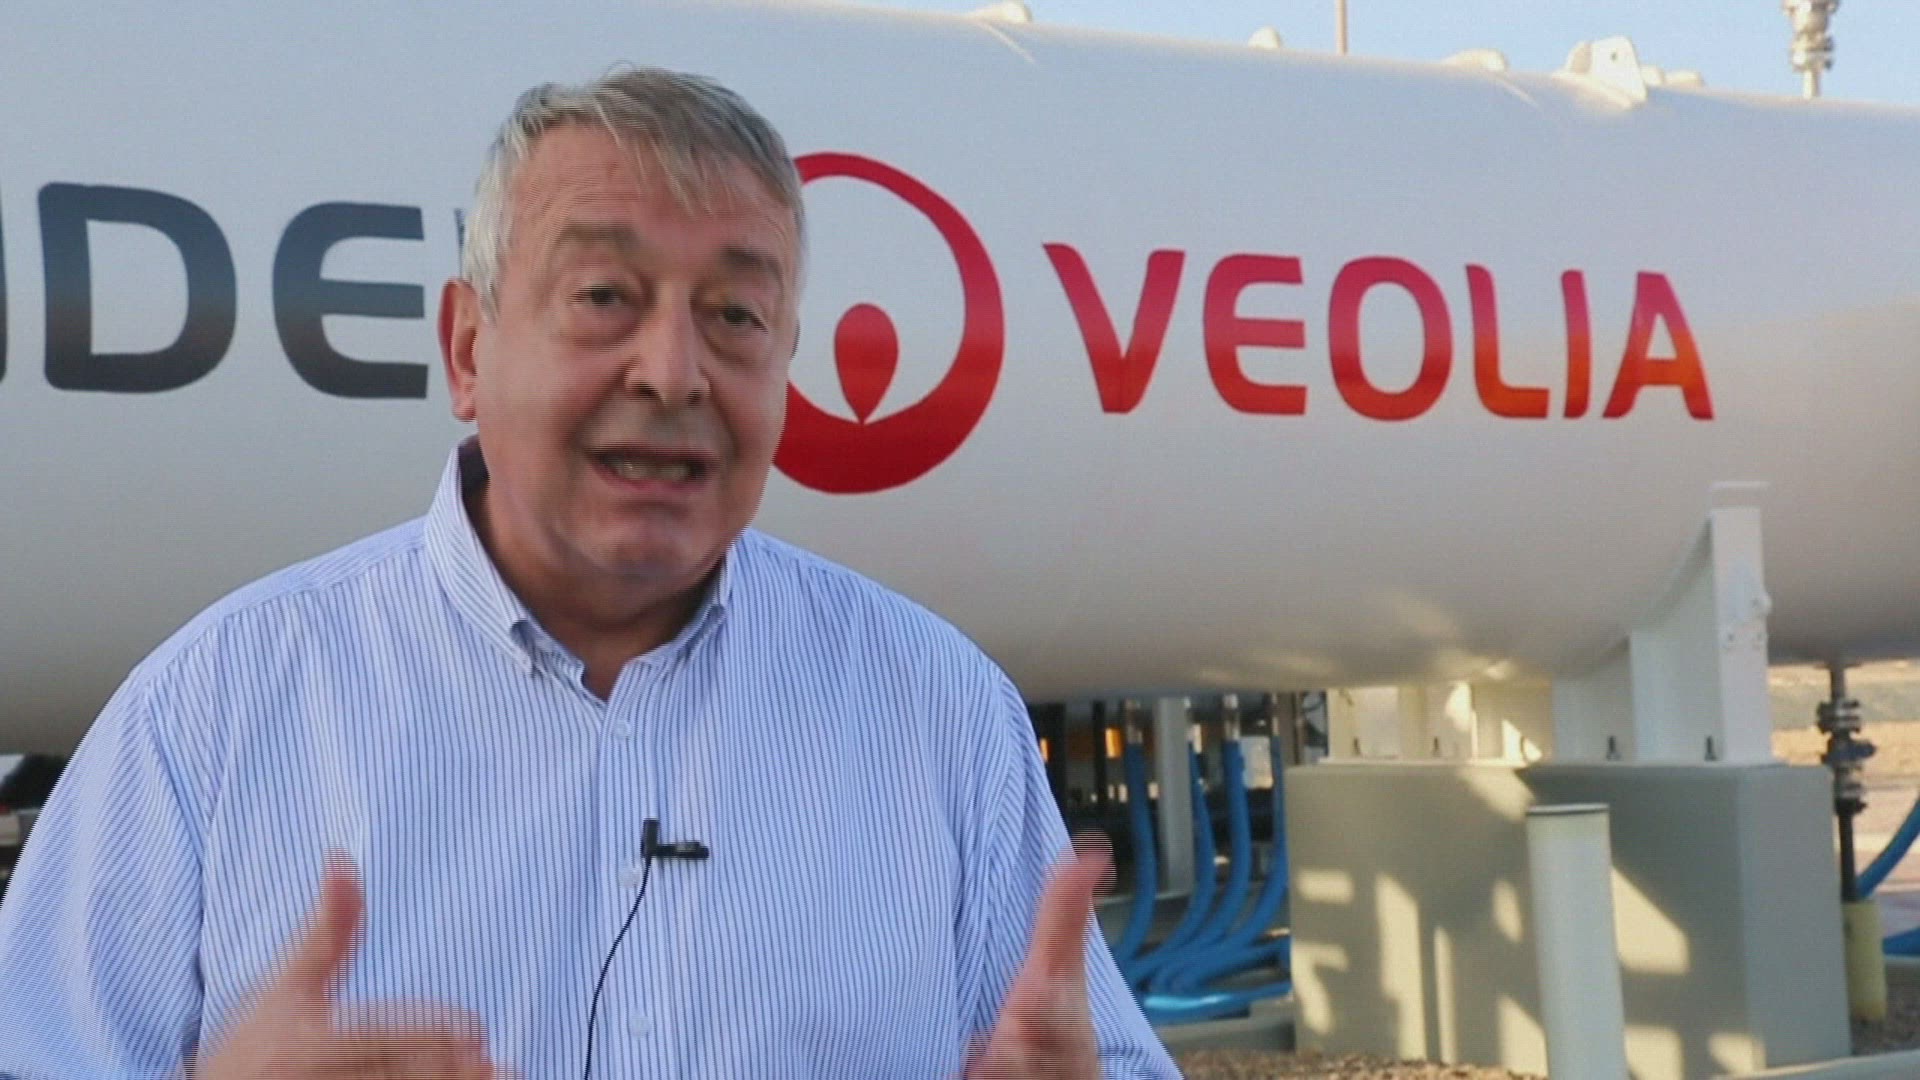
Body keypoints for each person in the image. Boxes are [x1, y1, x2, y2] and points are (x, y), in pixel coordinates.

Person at [0, 69, 1182, 1078]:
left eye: (735, 315)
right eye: (605, 297)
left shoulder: (938, 710)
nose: (673, 372)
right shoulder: (211, 713)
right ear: (469, 347)